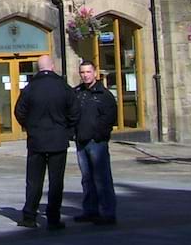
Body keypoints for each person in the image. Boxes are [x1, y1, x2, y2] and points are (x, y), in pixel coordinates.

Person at [14, 54, 79, 230]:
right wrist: (67, 130)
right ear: (53, 66)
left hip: (36, 140)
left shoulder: (30, 88)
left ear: (38, 68)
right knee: (56, 181)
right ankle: (53, 217)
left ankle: (29, 216)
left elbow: (19, 111)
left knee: (34, 180)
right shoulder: (63, 87)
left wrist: (30, 127)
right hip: (58, 140)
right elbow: (75, 112)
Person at [73, 60, 118, 225]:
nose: (85, 75)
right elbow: (71, 114)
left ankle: (107, 212)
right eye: (82, 72)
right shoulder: (77, 93)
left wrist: (98, 135)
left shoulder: (104, 95)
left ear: (95, 73)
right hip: (81, 141)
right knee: (87, 178)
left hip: (97, 142)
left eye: (88, 72)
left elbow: (109, 118)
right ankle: (90, 210)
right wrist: (73, 133)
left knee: (102, 178)